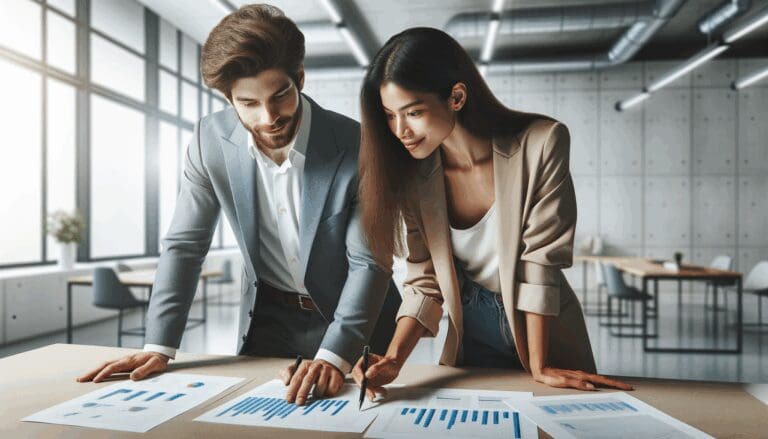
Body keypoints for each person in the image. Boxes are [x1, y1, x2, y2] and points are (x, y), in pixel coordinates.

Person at [77, 4, 400, 407]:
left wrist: (334, 356)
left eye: (280, 96)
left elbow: (368, 262)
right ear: (228, 98)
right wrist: (158, 346)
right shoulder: (210, 141)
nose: (268, 117)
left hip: (354, 319)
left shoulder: (359, 145)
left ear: (300, 78)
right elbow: (185, 245)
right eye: (248, 103)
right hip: (268, 317)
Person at [351, 27, 632, 399]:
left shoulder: (541, 143)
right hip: (471, 335)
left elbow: (540, 260)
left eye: (413, 112)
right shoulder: (414, 177)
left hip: (543, 332)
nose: (400, 130)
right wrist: (393, 358)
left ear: (456, 97)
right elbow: (424, 281)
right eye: (390, 116)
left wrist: (540, 364)